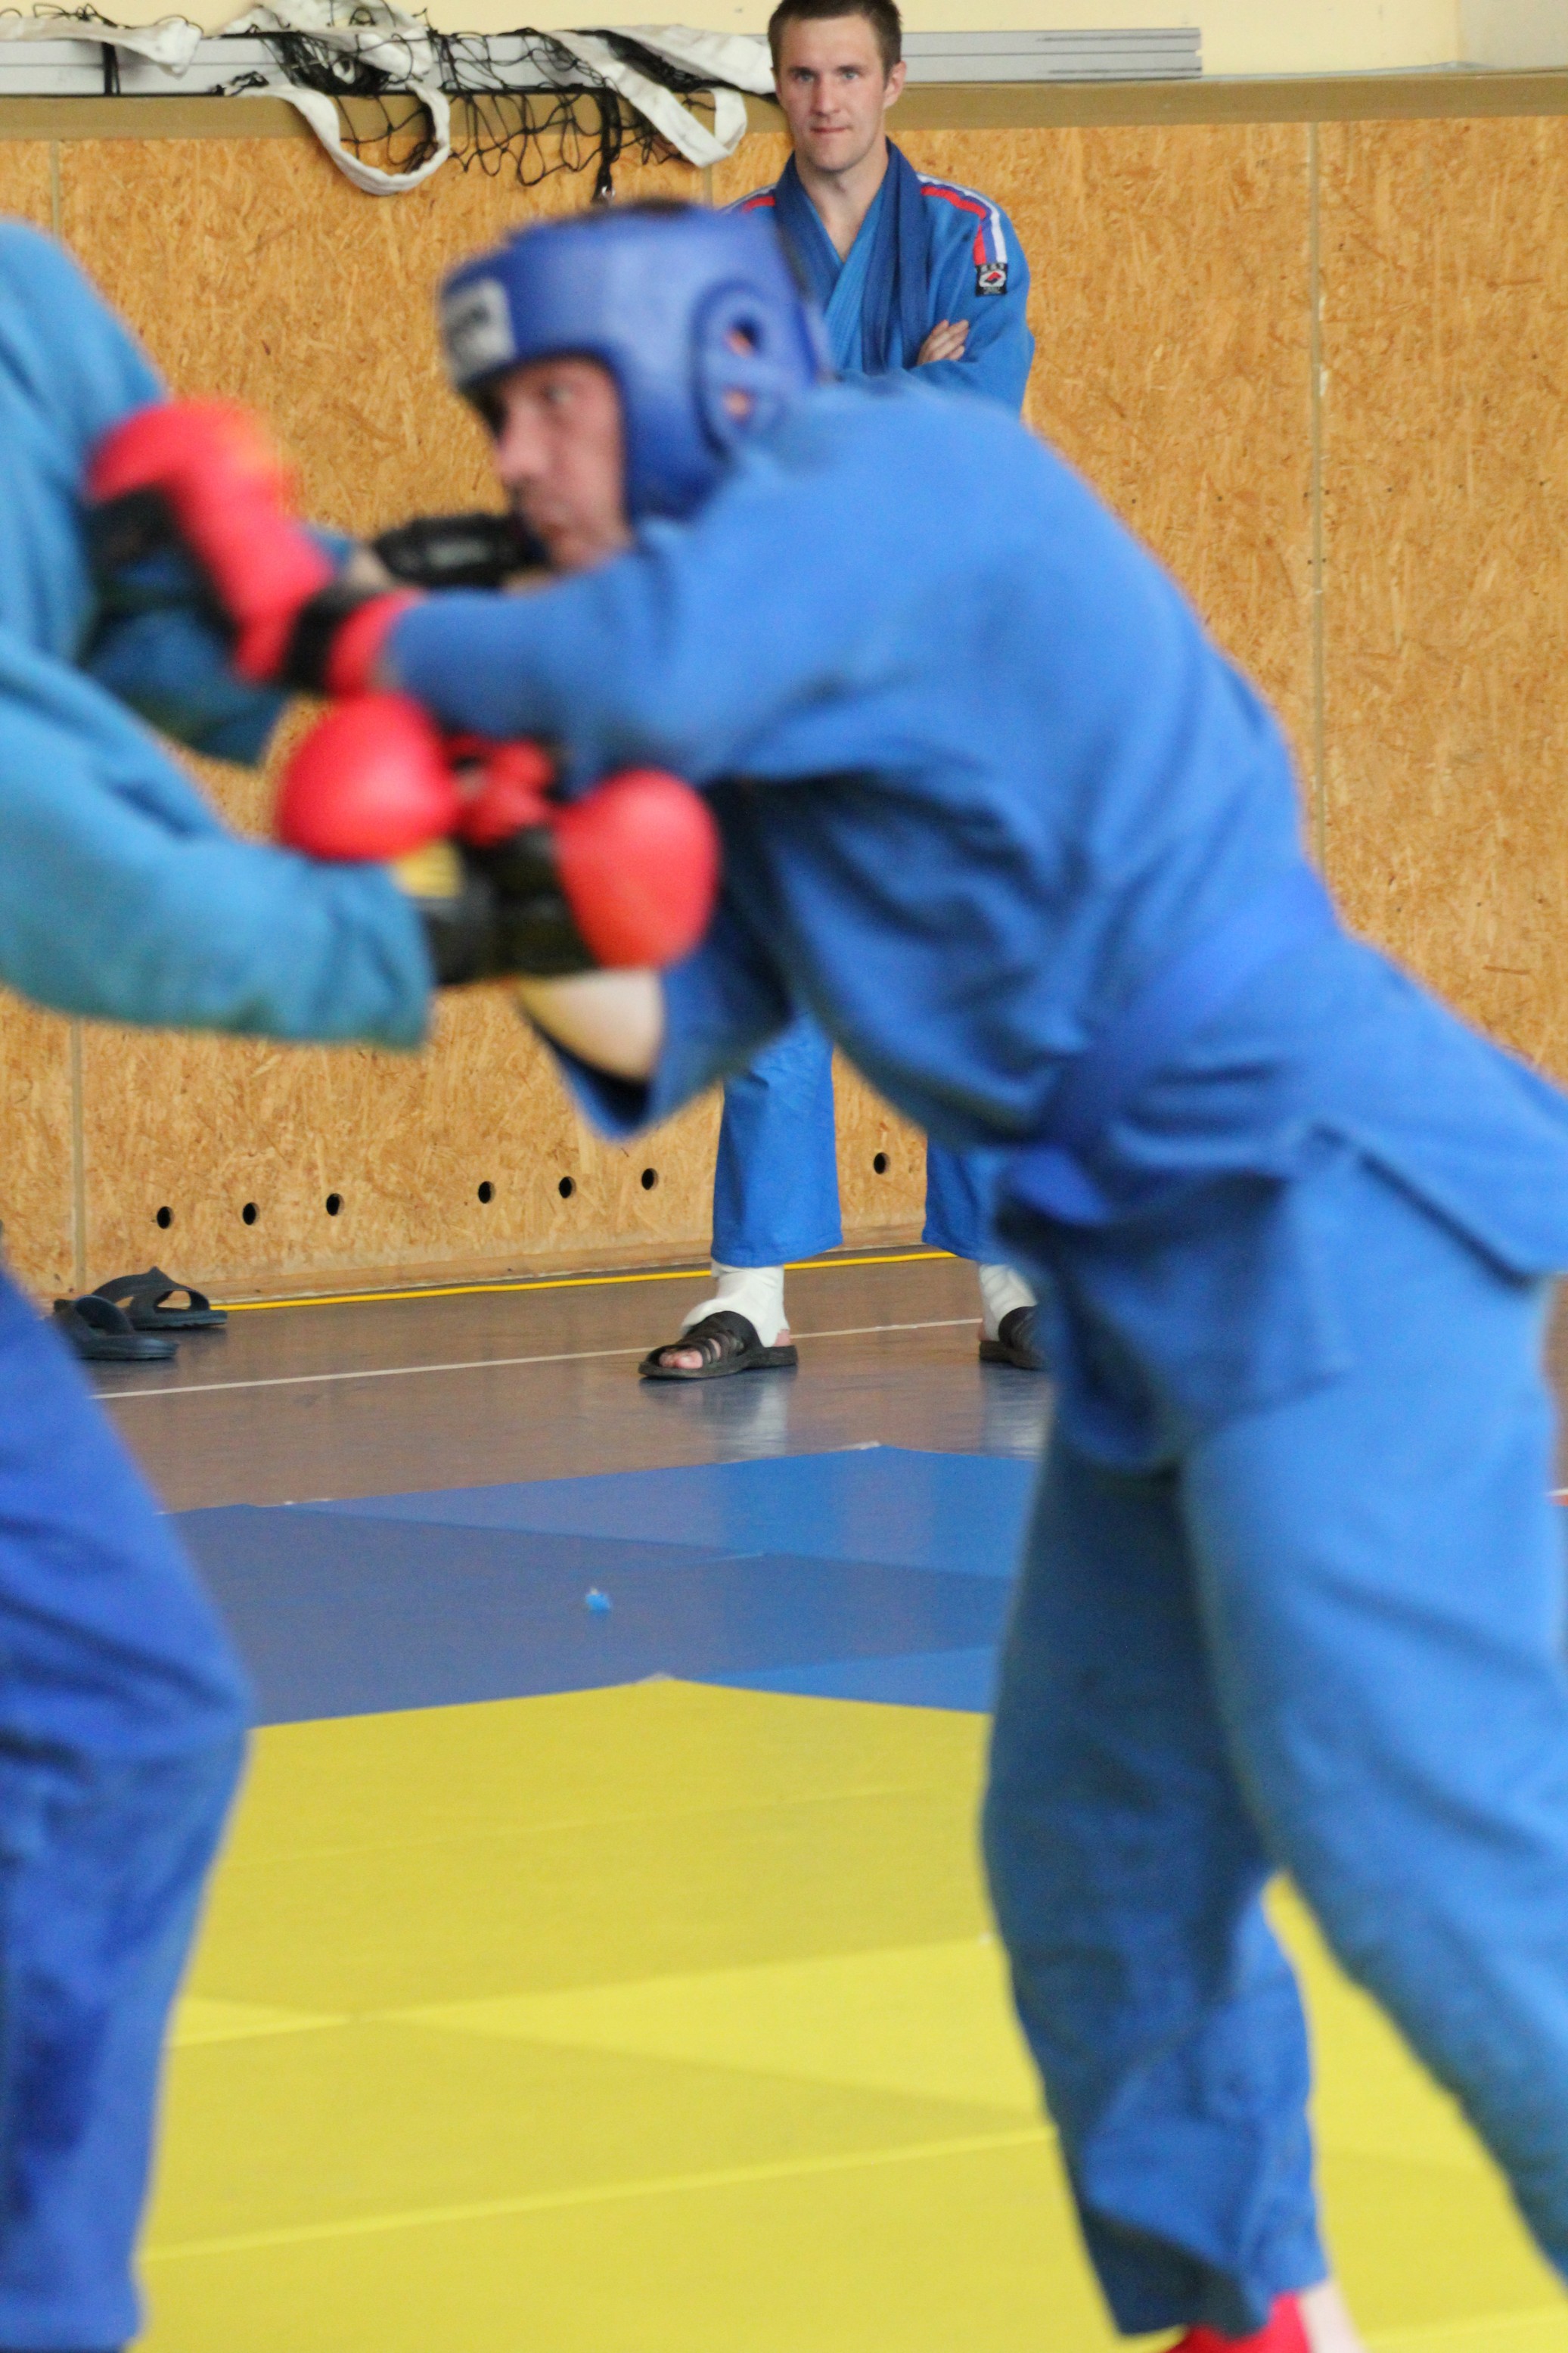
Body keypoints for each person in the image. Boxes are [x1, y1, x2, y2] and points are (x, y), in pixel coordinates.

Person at [301, 197, 1568, 2350]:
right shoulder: (757, 725)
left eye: (547, 404)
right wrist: (472, 854)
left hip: (1314, 1205)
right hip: (1152, 1300)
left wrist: (337, 626)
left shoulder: (895, 471)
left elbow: (629, 664)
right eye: (490, 417)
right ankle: (1249, 2314)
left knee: (1416, 1829)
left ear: (711, 373)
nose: (507, 460)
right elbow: (655, 1019)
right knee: (1093, 1847)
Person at [0, 214, 696, 2353]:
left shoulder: (19, 299)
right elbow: (58, 839)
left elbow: (185, 595)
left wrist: (421, 634)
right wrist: (463, 927)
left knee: (122, 1715)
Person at [641, 0, 1041, 1382]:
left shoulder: (971, 236)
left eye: (849, 72)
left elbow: (976, 419)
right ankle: (748, 1297)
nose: (825, 99)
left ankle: (1009, 1288)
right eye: (802, 74)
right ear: (775, 85)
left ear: (894, 80)